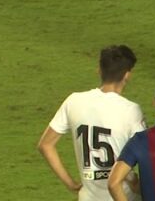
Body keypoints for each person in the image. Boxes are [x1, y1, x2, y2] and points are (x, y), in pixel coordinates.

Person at [38, 45, 146, 200]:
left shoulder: (73, 101)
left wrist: (70, 183)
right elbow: (146, 156)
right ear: (127, 75)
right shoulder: (131, 110)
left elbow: (45, 145)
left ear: (99, 71)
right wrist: (134, 180)